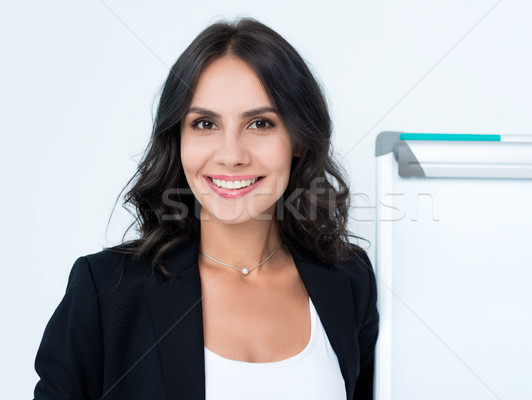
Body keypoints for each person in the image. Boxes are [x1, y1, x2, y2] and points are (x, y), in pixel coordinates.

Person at [33, 17, 379, 400]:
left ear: (298, 139)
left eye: (260, 123)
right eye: (204, 124)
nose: (231, 155)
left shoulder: (349, 281)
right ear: (177, 139)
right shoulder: (106, 290)